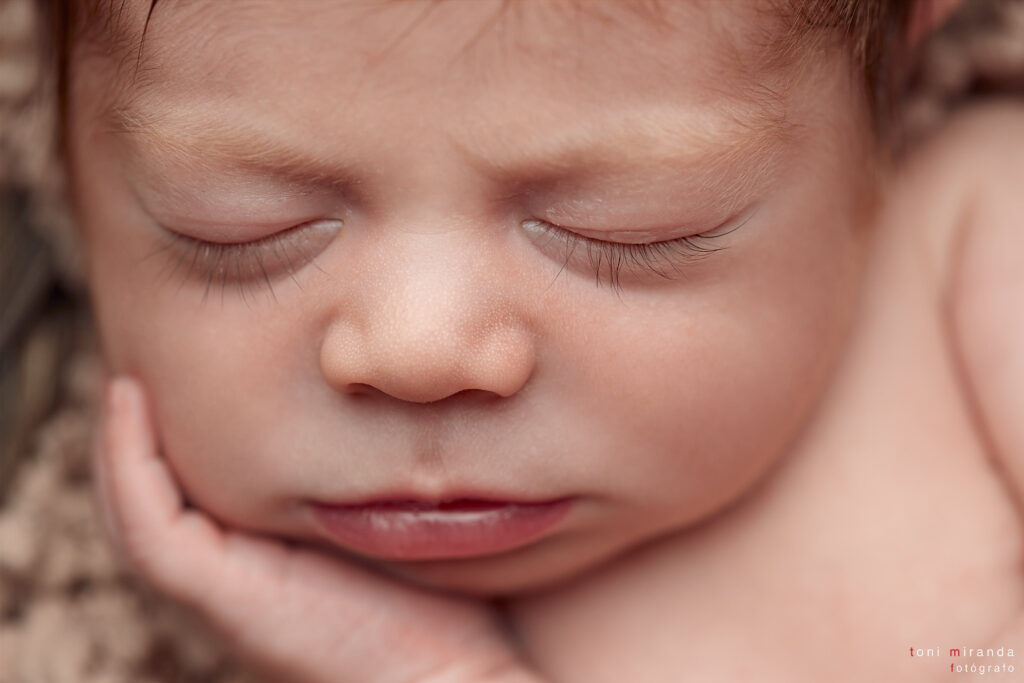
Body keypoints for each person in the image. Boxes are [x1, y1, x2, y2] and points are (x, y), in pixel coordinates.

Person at [21, 0, 1023, 680]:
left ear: (894, 64)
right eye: (239, 228)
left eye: (626, 227)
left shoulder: (973, 239)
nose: (419, 351)